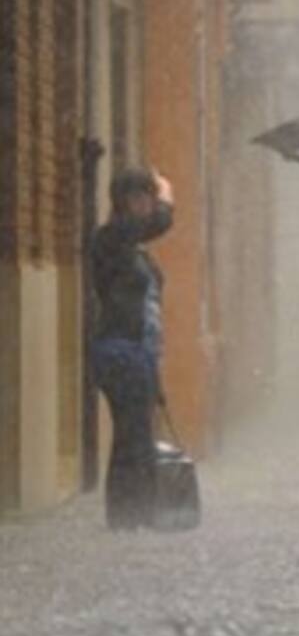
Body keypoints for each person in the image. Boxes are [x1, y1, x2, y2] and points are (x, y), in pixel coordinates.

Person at [90, 167, 174, 530]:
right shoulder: (112, 237)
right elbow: (157, 224)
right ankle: (130, 516)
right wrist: (167, 199)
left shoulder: (131, 247)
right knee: (133, 434)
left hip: (140, 351)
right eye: (140, 198)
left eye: (149, 197)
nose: (146, 205)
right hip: (119, 350)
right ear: (122, 202)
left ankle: (133, 514)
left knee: (135, 433)